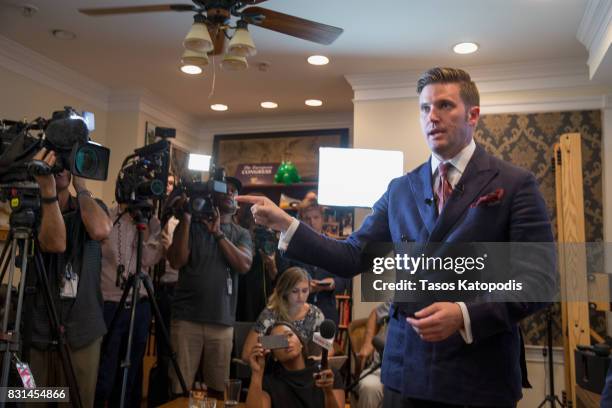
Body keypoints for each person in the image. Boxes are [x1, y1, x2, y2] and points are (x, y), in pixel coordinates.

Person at [238, 67, 556, 407]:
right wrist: (287, 223)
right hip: (407, 371)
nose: (432, 116)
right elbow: (351, 255)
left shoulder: (515, 183)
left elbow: (538, 281)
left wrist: (464, 315)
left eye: (445, 106)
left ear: (473, 115)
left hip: (478, 376)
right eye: (424, 108)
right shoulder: (400, 189)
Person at [28, 148, 112, 408]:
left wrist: (82, 186)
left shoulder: (91, 208)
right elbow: (55, 242)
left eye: (68, 161)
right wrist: (47, 191)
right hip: (38, 330)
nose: (61, 167)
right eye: (56, 160)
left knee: (77, 403)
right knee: (32, 401)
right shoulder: (31, 209)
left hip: (83, 331)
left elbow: (100, 230)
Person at [167, 176, 252, 395]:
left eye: (234, 192)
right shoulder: (191, 226)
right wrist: (186, 217)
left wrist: (218, 234)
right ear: (212, 195)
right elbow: (177, 261)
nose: (231, 194)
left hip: (222, 322)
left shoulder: (241, 233)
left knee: (217, 390)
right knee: (179, 386)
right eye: (226, 189)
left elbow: (243, 264)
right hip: (186, 319)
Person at [95, 200, 163, 407]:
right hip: (108, 305)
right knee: (104, 374)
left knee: (130, 376)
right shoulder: (107, 214)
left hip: (139, 305)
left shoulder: (152, 222)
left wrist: (143, 224)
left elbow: (149, 259)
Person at [245, 321, 345, 408]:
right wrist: (257, 374)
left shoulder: (327, 375)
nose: (287, 341)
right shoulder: (269, 383)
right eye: (278, 340)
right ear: (274, 355)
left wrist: (328, 392)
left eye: (289, 335)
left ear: (301, 343)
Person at [241, 266, 325, 362]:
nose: (300, 296)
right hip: (275, 371)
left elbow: (328, 349)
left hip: (306, 371)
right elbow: (246, 354)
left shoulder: (316, 314)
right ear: (285, 291)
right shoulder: (270, 314)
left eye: (305, 291)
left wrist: (319, 358)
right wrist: (286, 342)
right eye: (294, 291)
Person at [292, 198, 351, 326]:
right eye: (307, 218)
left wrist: (333, 283)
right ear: (301, 220)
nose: (312, 222)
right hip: (297, 312)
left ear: (322, 219)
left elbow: (345, 279)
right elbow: (284, 276)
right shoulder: (292, 246)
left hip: (326, 314)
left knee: (324, 346)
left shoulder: (335, 245)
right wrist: (304, 287)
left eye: (316, 217)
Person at [353, 302, 391, 408]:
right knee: (369, 386)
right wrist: (368, 344)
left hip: (416, 374)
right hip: (383, 367)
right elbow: (376, 313)